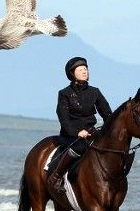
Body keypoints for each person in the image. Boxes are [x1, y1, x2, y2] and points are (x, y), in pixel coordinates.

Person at [47, 56, 112, 194]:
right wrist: (77, 132)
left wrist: (110, 129)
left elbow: (107, 113)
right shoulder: (64, 93)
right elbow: (63, 118)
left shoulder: (95, 91)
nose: (84, 71)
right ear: (72, 73)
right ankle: (56, 177)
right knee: (80, 146)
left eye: (86, 69)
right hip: (72, 135)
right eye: (80, 69)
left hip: (91, 132)